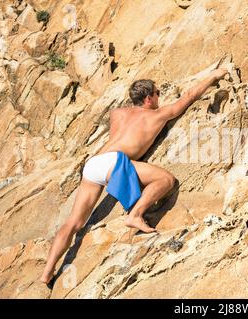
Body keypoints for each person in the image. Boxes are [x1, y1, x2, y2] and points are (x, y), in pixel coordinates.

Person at [40, 67, 229, 285]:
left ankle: (46, 273)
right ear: (148, 98)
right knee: (166, 180)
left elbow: (123, 137)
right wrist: (214, 76)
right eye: (157, 93)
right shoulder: (158, 115)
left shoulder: (117, 114)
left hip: (94, 164)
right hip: (114, 163)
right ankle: (135, 215)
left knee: (74, 222)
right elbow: (189, 96)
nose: (160, 96)